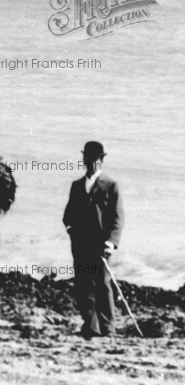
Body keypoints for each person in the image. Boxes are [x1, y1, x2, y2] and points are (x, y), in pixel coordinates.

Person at [63, 141, 124, 339]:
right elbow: (68, 215)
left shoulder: (111, 186)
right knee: (83, 285)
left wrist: (110, 243)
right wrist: (71, 229)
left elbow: (117, 219)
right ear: (84, 160)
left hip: (100, 246)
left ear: (101, 161)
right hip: (80, 245)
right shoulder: (77, 186)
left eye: (95, 160)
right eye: (87, 160)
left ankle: (108, 328)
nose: (90, 164)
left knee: (103, 285)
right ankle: (91, 325)